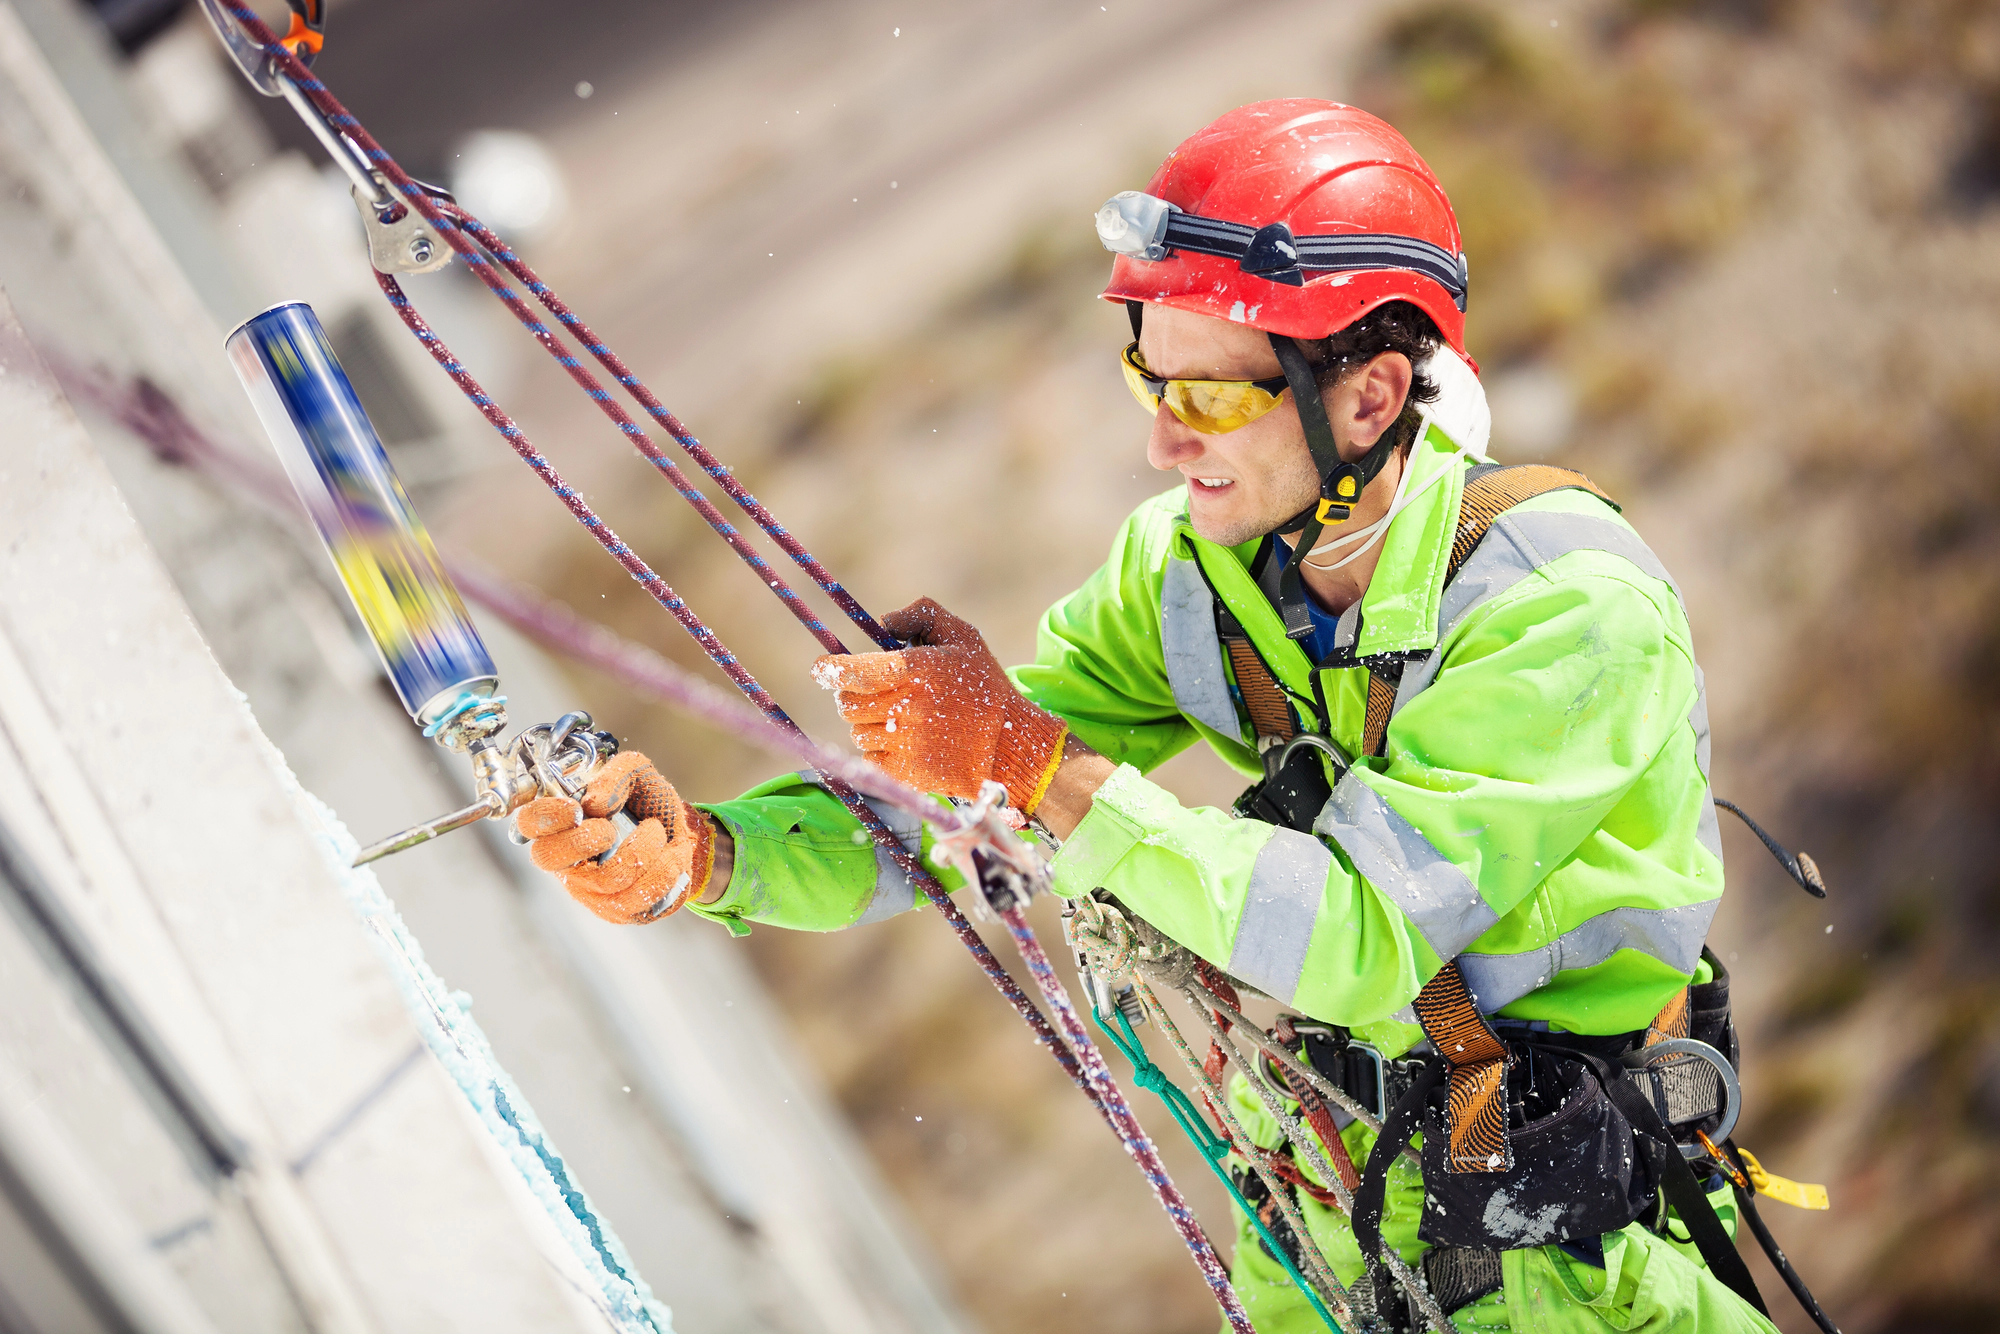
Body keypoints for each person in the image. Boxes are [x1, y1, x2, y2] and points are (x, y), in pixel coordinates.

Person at [515, 100, 1777, 1333]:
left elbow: (1354, 931)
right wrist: (715, 856)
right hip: (1322, 1208)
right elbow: (964, 802)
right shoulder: (1190, 573)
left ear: (1369, 396)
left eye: (1214, 396)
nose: (1168, 441)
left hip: (1560, 1261)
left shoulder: (1567, 611)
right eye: (1147, 380)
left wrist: (1035, 762)